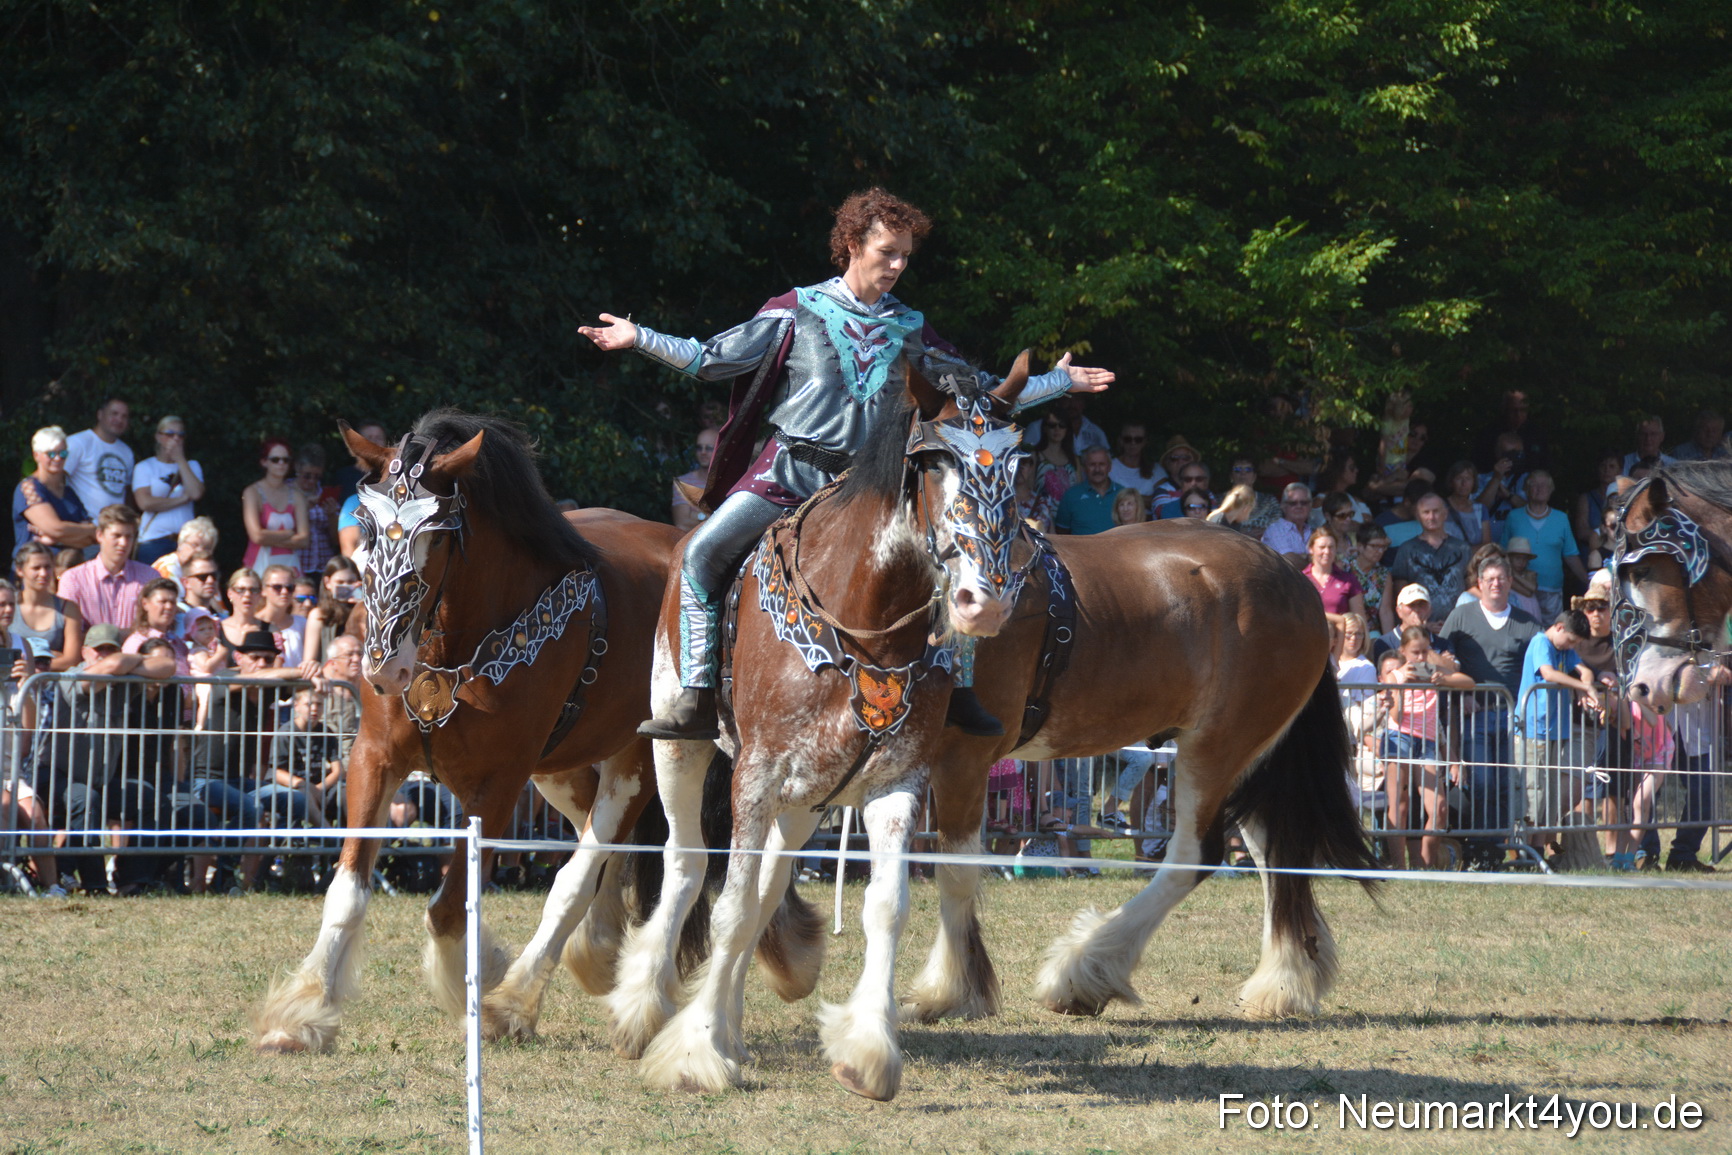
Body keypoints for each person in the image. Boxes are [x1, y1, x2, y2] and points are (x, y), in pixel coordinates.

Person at [578, 188, 1114, 738]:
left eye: (906, 256)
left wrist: (1058, 382)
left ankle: (959, 687)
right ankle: (694, 695)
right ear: (853, 245)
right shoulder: (794, 311)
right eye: (888, 252)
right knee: (699, 553)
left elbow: (981, 393)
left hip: (874, 488)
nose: (898, 265)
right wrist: (637, 337)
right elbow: (709, 360)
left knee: (952, 552)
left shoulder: (910, 327)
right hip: (788, 476)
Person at [1441, 555, 1541, 867]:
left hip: (1513, 717)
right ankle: (1479, 849)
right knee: (1482, 783)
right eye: (1490, 579)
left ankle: (1496, 850)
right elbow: (1441, 659)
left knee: (1505, 785)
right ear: (1479, 583)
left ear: (1510, 582)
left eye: (1501, 578)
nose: (1496, 584)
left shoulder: (1527, 623)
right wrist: (1461, 694)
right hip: (1476, 716)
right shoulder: (1461, 616)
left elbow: (1547, 655)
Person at [1516, 609, 1600, 868]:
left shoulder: (1565, 649)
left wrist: (1585, 683)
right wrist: (1582, 686)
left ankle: (1538, 854)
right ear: (1560, 628)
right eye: (1571, 640)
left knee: (1548, 799)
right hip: (1534, 732)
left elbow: (1584, 671)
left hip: (1556, 732)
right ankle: (1523, 855)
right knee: (1533, 796)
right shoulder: (1540, 642)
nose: (1572, 646)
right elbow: (1549, 673)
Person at [1382, 625, 1471, 869]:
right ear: (1403, 651)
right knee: (1398, 804)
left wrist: (1444, 678)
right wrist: (1400, 687)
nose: (1421, 657)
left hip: (1428, 742)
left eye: (1425, 651)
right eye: (1416, 652)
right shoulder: (1394, 676)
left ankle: (1425, 865)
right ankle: (1399, 867)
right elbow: (1396, 716)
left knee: (1439, 808)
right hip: (1400, 737)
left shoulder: (1434, 670)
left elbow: (1469, 682)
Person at [253, 686, 346, 828]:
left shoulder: (326, 731)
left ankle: (354, 835)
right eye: (309, 704)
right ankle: (328, 834)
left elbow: (338, 770)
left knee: (345, 793)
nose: (314, 709)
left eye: (319, 704)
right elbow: (277, 773)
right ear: (296, 706)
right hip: (294, 786)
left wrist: (319, 788)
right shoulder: (286, 733)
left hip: (320, 786)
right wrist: (306, 786)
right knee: (303, 794)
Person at [1499, 470, 1586, 621]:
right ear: (1526, 489)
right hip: (1519, 589)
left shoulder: (1561, 518)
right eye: (1534, 485)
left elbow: (1570, 555)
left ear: (1551, 490)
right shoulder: (1514, 517)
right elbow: (1502, 553)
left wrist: (1588, 581)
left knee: (1551, 633)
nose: (1540, 488)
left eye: (1544, 485)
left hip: (1551, 591)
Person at [57, 505, 157, 630]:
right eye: (117, 535)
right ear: (100, 535)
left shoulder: (150, 578)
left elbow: (156, 628)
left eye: (128, 537)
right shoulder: (73, 579)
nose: (123, 543)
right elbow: (66, 631)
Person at [130, 415, 205, 564]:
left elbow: (196, 493)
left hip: (186, 542)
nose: (176, 439)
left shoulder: (192, 465)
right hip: (154, 541)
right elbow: (145, 503)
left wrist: (180, 460)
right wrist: (183, 499)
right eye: (170, 434)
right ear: (158, 436)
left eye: (181, 435)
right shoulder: (145, 467)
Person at [1390, 494, 1470, 623]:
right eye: (1426, 512)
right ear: (1418, 515)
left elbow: (1471, 589)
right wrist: (1422, 625)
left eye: (1436, 511)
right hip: (1420, 627)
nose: (1431, 517)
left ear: (1445, 514)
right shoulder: (1407, 550)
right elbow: (1400, 596)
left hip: (1459, 625)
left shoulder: (1462, 548)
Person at [13, 426, 95, 554]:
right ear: (36, 455)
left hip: (71, 564)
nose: (57, 458)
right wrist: (89, 529)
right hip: (37, 563)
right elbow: (55, 528)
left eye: (63, 453)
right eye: (51, 454)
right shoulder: (29, 488)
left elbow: (90, 539)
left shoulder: (69, 493)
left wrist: (55, 540)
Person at [242, 439, 310, 577]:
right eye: (275, 460)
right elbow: (256, 536)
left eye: (286, 460)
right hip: (259, 564)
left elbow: (304, 540)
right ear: (264, 462)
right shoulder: (252, 492)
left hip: (291, 566)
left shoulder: (297, 496)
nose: (281, 464)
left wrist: (268, 537)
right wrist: (287, 534)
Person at [12, 542, 83, 671]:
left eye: (47, 567)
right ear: (20, 570)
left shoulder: (68, 608)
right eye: (36, 568)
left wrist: (29, 666)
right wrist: (47, 660)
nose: (43, 573)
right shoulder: (8, 605)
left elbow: (72, 660)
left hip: (54, 681)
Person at [63, 397, 134, 526]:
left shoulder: (127, 452)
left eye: (124, 416)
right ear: (100, 415)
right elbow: (57, 481)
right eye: (114, 414)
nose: (119, 420)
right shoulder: (78, 442)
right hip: (83, 526)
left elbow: (127, 491)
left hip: (114, 529)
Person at [121, 578, 191, 675]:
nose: (169, 607)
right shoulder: (137, 642)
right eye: (163, 601)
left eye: (172, 602)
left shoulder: (177, 643)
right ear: (145, 604)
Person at [293, 444, 341, 578]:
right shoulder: (286, 491)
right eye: (307, 476)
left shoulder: (324, 493)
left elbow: (336, 540)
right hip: (295, 564)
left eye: (316, 477)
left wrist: (332, 515)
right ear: (297, 468)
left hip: (323, 565)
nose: (311, 481)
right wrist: (305, 508)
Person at [303, 557, 361, 666]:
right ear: (327, 582)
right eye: (340, 582)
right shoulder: (319, 615)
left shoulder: (364, 610)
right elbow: (309, 660)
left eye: (351, 582)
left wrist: (362, 607)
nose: (345, 587)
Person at [1029, 410, 1080, 531]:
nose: (1057, 429)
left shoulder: (1074, 459)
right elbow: (1029, 489)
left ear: (1067, 430)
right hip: (1043, 520)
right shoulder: (1035, 456)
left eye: (1062, 425)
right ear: (1045, 428)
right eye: (1052, 425)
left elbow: (1079, 492)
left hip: (1070, 520)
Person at [1056, 447, 1125, 535]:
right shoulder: (1071, 495)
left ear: (1109, 467)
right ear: (1084, 468)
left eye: (1102, 464)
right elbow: (1061, 532)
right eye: (1092, 465)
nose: (1097, 469)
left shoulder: (1122, 494)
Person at [1302, 526, 1366, 617]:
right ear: (1311, 549)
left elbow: (1359, 619)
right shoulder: (1300, 579)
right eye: (1322, 547)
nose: (1327, 551)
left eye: (1331, 547)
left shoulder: (1349, 580)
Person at [258, 563, 311, 670]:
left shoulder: (303, 623)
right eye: (277, 587)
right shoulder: (254, 622)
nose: (284, 592)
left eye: (290, 588)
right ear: (263, 590)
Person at [151, 516, 218, 595]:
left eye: (206, 547)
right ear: (180, 543)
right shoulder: (167, 568)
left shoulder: (208, 574)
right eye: (194, 545)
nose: (200, 551)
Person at [1349, 523, 1396, 634]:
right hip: (1349, 629)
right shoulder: (1345, 568)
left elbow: (1385, 611)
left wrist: (1389, 640)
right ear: (1360, 546)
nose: (1380, 551)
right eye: (1374, 546)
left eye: (1383, 547)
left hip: (1373, 632)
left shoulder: (1383, 574)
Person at [1571, 451, 1624, 550]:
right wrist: (1608, 538)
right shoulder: (1585, 499)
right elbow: (1582, 532)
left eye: (1612, 466)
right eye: (1603, 466)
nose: (1606, 470)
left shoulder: (1626, 499)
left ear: (1620, 471)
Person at [671, 428, 719, 531]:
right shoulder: (683, 482)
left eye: (709, 448)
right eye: (699, 448)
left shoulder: (730, 483)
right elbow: (682, 524)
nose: (703, 452)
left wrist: (696, 515)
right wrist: (714, 516)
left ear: (719, 450)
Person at [1440, 460, 1490, 546]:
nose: (1464, 483)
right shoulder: (1440, 507)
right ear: (1451, 481)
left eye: (1468, 479)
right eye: (1459, 478)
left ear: (1474, 482)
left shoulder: (1480, 510)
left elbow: (1487, 544)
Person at [1260, 483, 1313, 563]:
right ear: (1283, 506)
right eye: (1293, 503)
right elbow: (1290, 560)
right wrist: (1313, 561)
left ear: (1310, 506)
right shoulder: (1275, 530)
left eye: (1303, 503)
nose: (1299, 506)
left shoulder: (1313, 531)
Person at [1107, 422, 1162, 497]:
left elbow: (1163, 499)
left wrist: (1124, 498)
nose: (1133, 443)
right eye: (1127, 439)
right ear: (1121, 440)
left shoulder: (1156, 469)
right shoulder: (1109, 467)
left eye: (1138, 439)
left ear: (1145, 442)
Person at [178, 553, 226, 619]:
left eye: (214, 575)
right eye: (202, 577)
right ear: (186, 582)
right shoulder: (176, 617)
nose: (210, 580)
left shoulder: (223, 619)